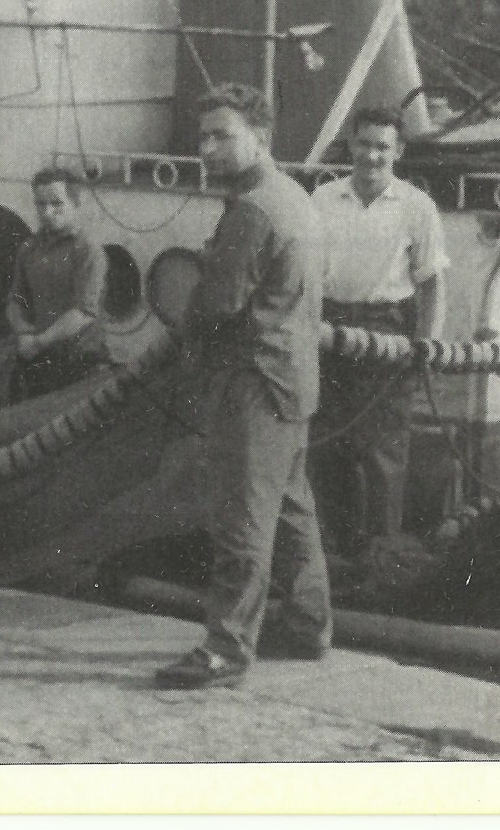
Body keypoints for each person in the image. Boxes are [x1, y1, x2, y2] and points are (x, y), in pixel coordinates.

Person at [154, 84, 331, 690]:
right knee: (291, 508)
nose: (207, 149)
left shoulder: (252, 210)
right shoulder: (294, 197)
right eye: (203, 136)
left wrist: (183, 342)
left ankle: (226, 647)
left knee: (242, 518)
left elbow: (217, 305)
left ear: (260, 135)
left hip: (254, 381)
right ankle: (308, 624)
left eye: (222, 135)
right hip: (294, 378)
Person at [308, 107, 449, 557]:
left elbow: (431, 283)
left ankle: (381, 554)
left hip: (388, 329)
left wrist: (425, 345)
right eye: (364, 144)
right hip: (330, 327)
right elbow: (307, 274)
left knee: (383, 448)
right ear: (351, 145)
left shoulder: (416, 206)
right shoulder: (322, 199)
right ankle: (335, 548)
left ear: (398, 151)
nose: (372, 155)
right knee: (329, 442)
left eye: (382, 147)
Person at [5, 167, 108, 401]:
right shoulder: (28, 249)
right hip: (39, 358)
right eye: (40, 204)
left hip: (80, 362)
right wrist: (23, 333)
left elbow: (83, 313)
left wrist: (39, 342)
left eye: (57, 204)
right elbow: (15, 300)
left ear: (75, 203)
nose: (47, 212)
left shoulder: (88, 250)